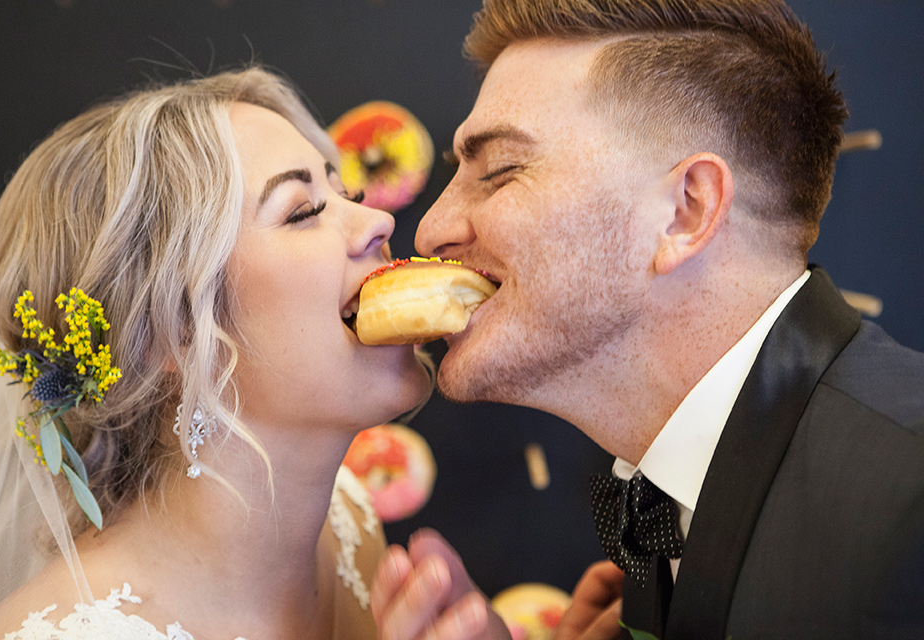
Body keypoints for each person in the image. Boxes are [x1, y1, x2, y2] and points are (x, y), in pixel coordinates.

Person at [370, 1, 924, 639]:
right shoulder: (662, 510)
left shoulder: (908, 505)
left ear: (686, 211)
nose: (432, 229)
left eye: (500, 172)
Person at [0, 66, 433, 639]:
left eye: (347, 194)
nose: (380, 221)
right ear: (170, 332)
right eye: (303, 211)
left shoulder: (351, 524)